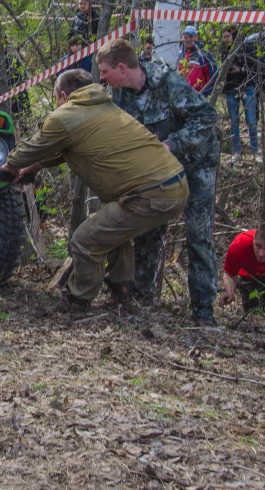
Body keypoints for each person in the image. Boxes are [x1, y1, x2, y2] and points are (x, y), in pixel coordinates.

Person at [0, 69, 188, 313]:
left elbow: (37, 144)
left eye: (56, 99)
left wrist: (9, 165)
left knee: (85, 239)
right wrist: (34, 165)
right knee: (113, 235)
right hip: (175, 185)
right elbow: (68, 149)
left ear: (64, 96)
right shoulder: (104, 109)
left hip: (149, 192)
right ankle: (122, 297)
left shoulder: (66, 115)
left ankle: (78, 301)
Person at [97, 38, 220, 325]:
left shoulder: (168, 83)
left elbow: (206, 117)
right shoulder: (120, 96)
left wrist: (171, 144)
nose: (102, 78)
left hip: (196, 162)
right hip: (158, 168)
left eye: (105, 71)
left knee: (197, 234)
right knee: (149, 226)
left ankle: (204, 313)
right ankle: (142, 299)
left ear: (122, 68)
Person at [219, 25, 259, 162]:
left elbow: (253, 68)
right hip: (231, 88)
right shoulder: (224, 50)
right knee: (234, 120)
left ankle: (255, 151)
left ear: (234, 36)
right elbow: (222, 70)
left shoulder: (245, 48)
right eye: (223, 37)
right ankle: (237, 151)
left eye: (228, 37)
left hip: (247, 86)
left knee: (251, 120)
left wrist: (241, 70)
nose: (225, 40)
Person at [177, 25, 218, 95]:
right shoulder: (177, 53)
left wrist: (206, 92)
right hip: (180, 95)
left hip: (199, 95)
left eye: (190, 36)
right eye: (185, 37)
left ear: (196, 37)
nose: (188, 40)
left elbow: (213, 74)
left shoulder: (204, 54)